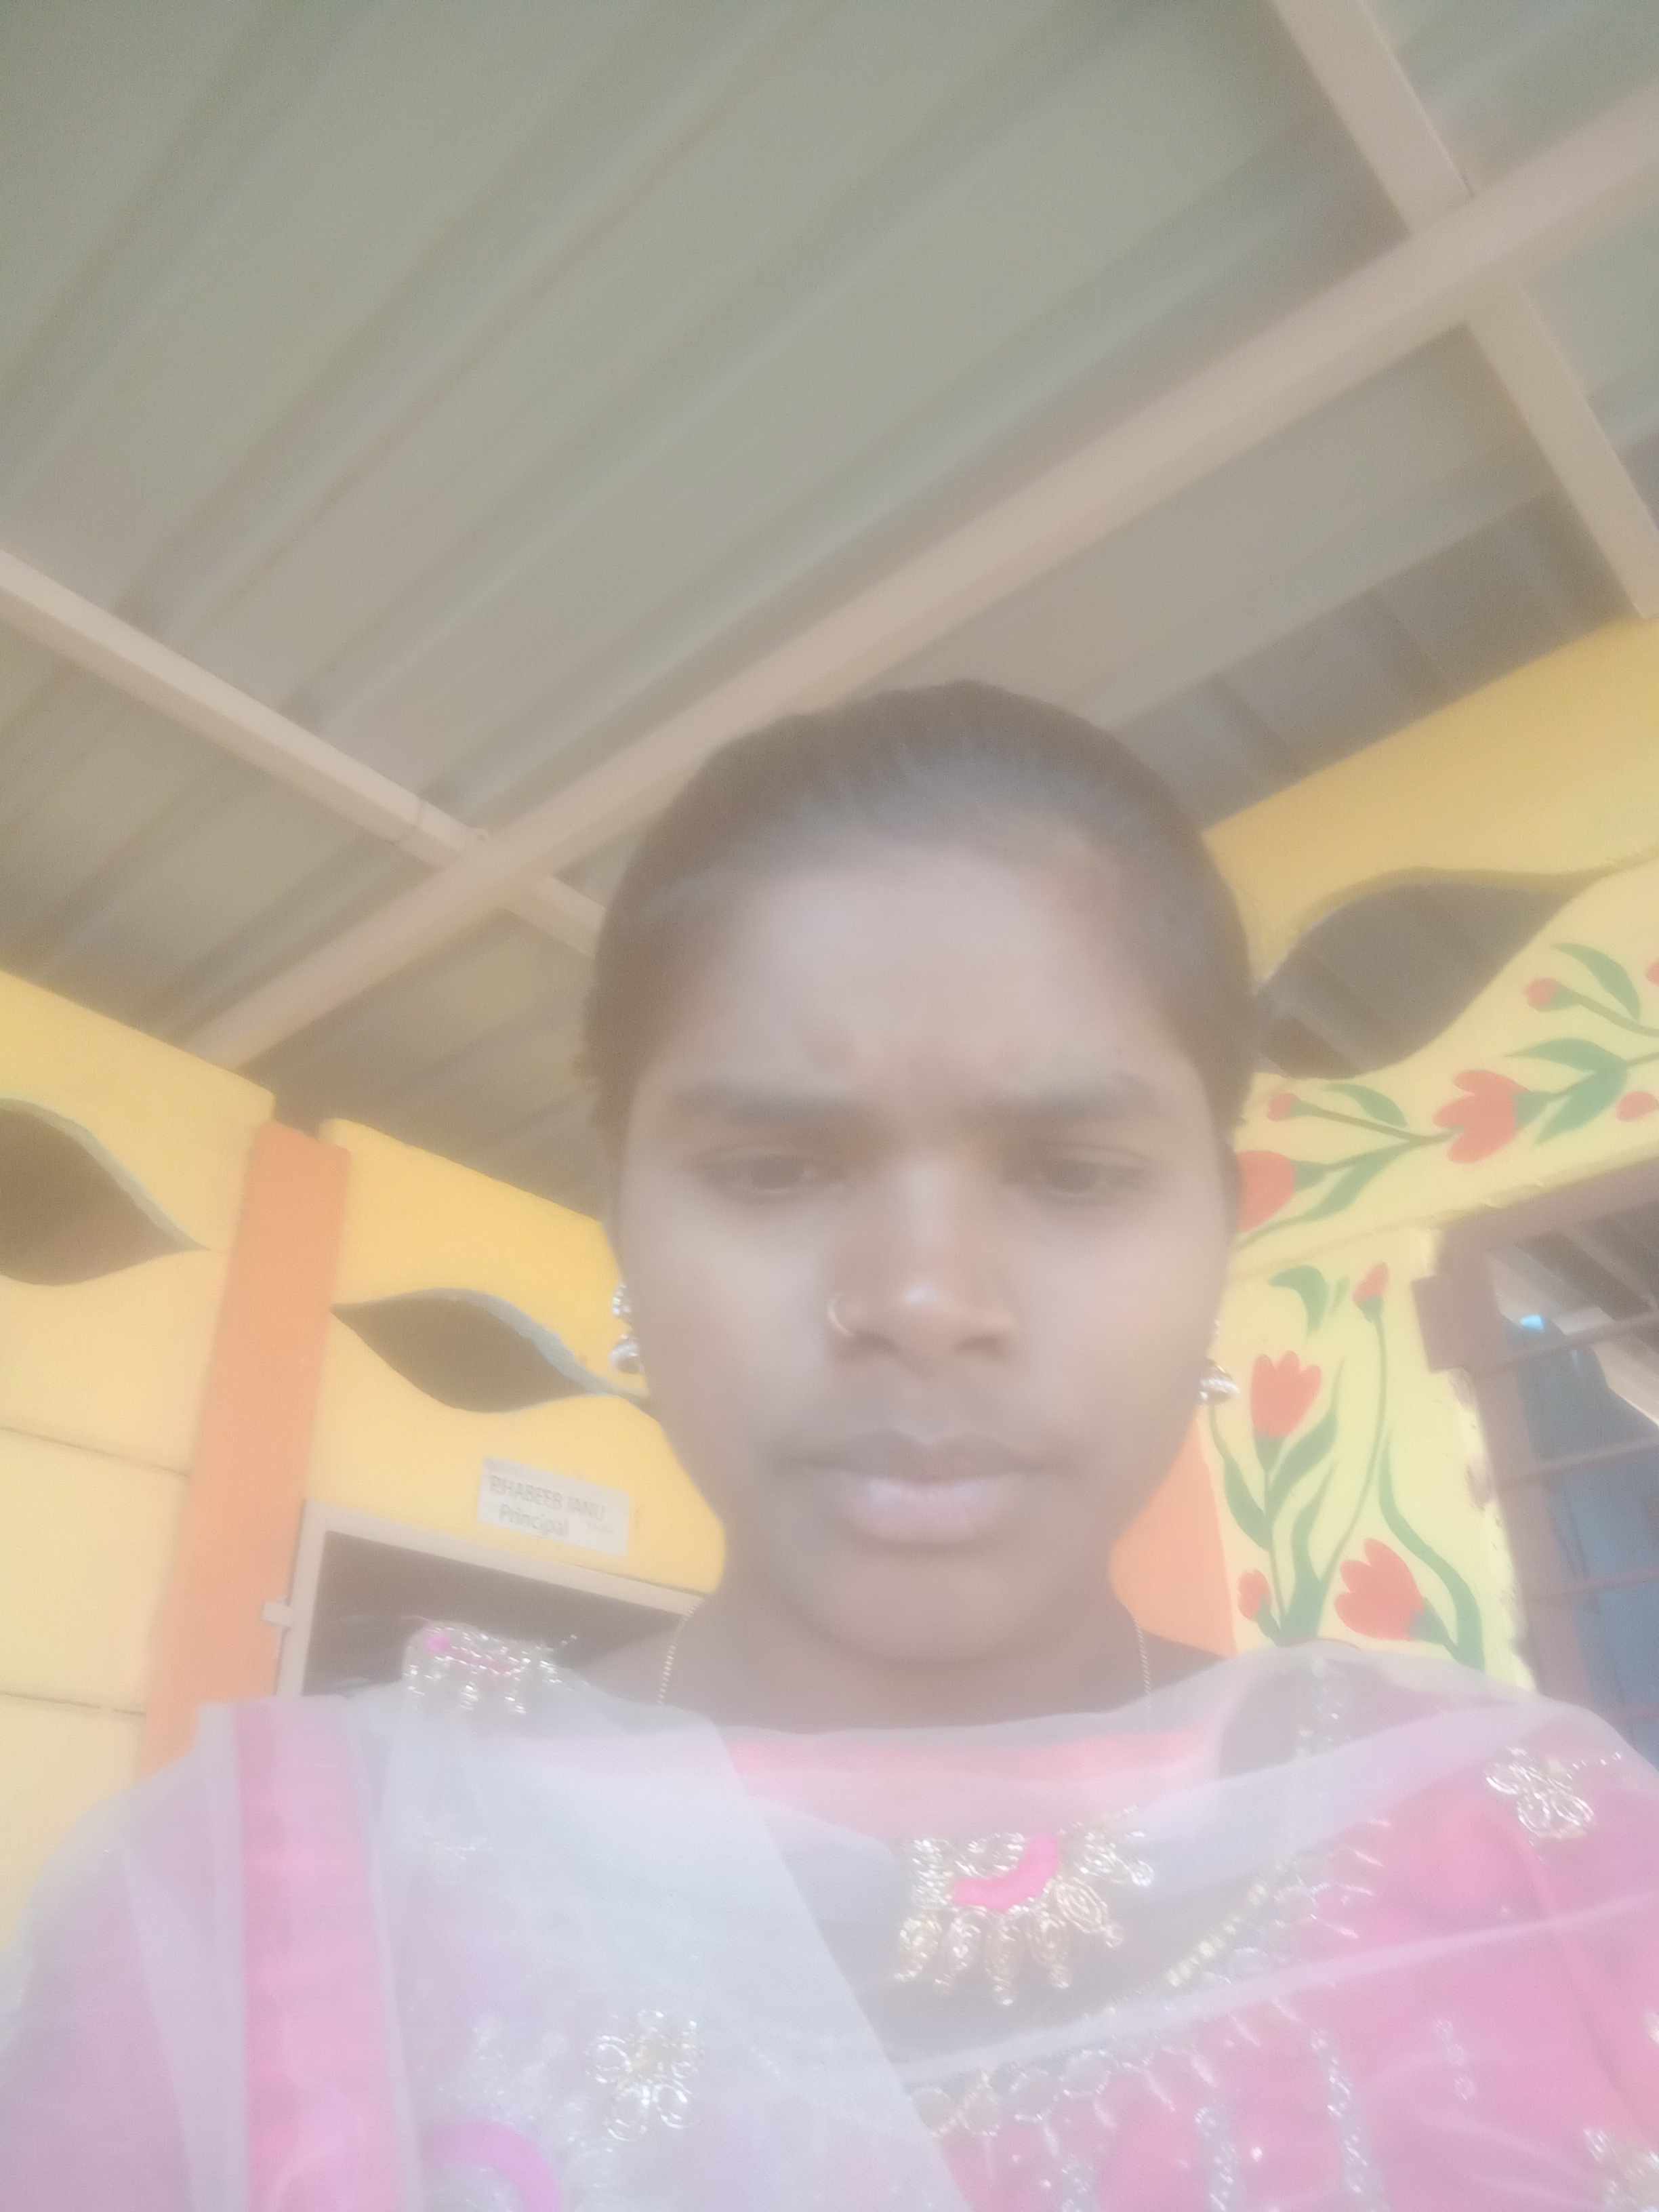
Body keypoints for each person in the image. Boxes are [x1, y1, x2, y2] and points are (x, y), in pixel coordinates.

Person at [3, 684, 1659, 2210]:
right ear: (624, 1222)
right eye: (774, 1171)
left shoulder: (1544, 1857)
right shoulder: (260, 1912)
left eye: (1075, 1173)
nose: (924, 1302)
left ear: (1223, 1228)